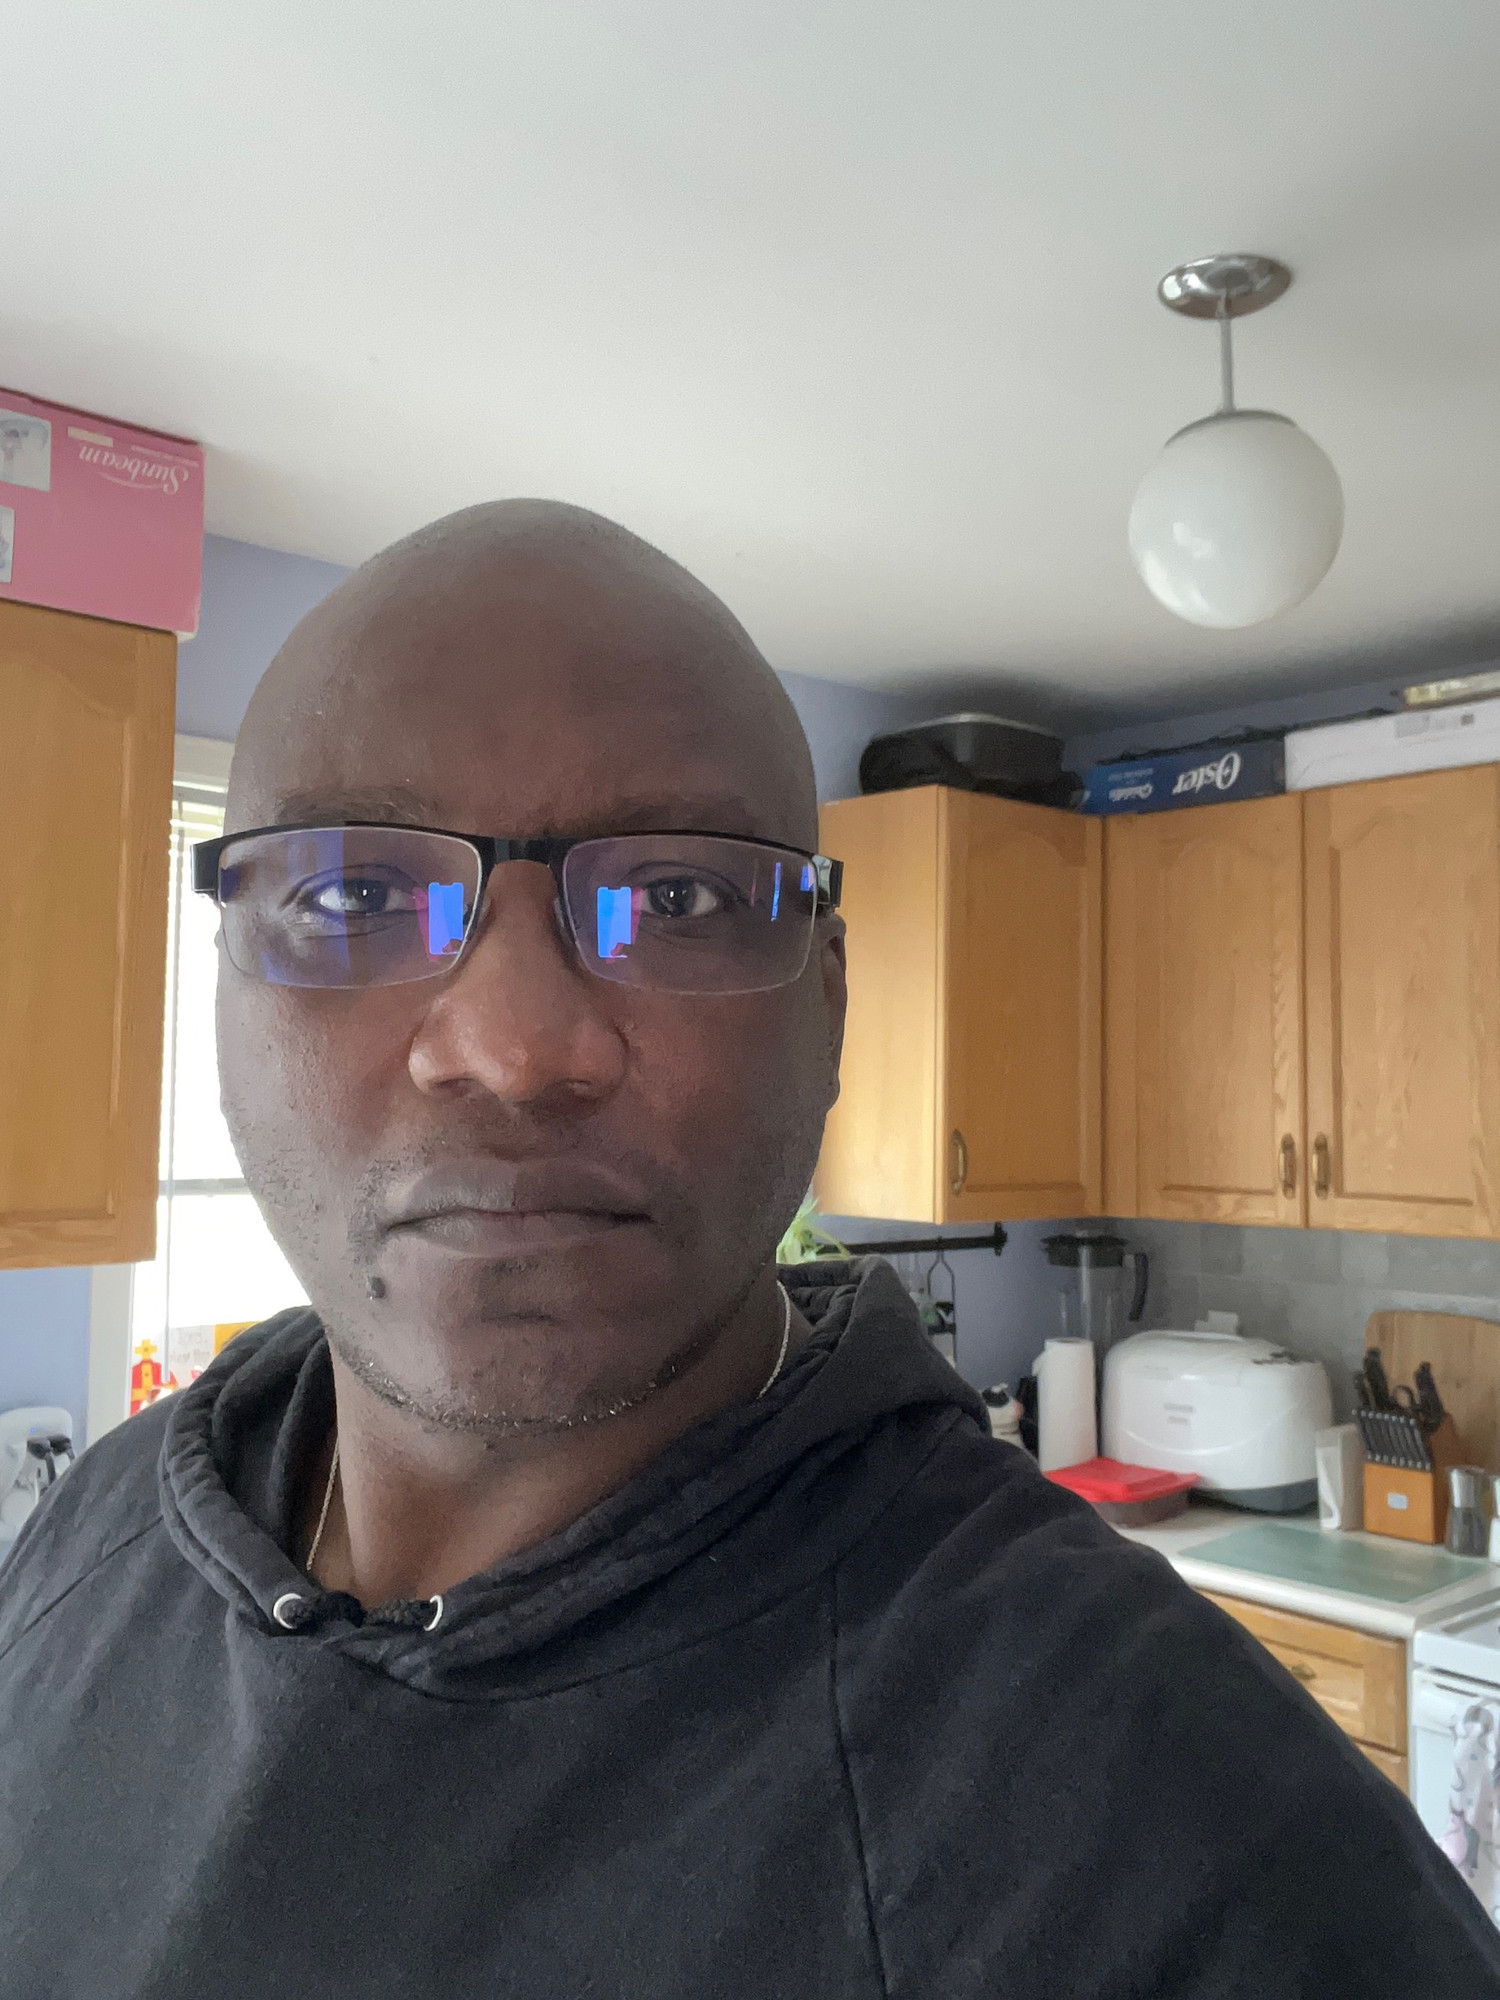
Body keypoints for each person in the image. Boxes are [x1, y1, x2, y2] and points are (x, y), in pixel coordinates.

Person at [1, 500, 1495, 1997]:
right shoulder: (92, 1540)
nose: (520, 1048)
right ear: (220, 990)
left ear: (829, 1005)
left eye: (677, 896)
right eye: (354, 895)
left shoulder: (1183, 1844)